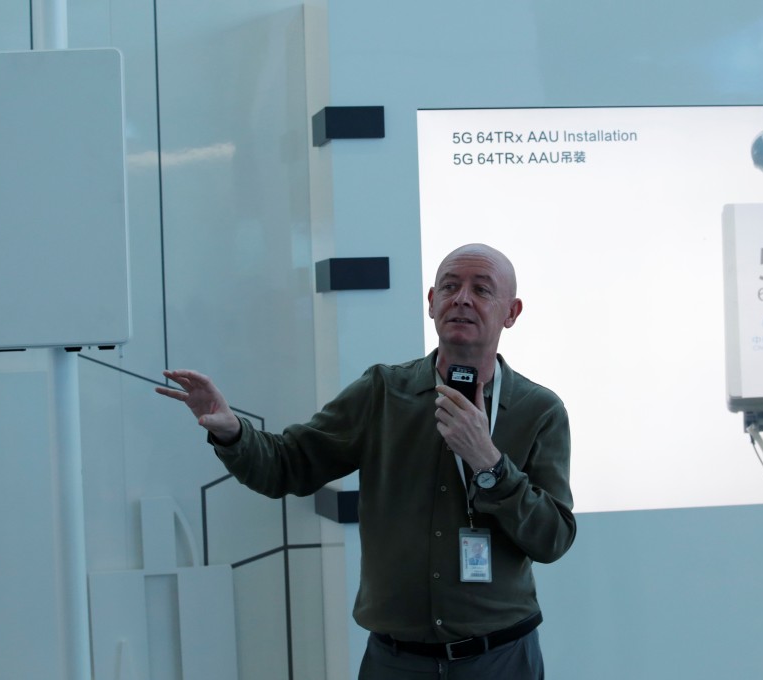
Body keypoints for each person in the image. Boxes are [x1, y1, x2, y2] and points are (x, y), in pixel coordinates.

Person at [156, 243, 575, 679]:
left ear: (512, 311)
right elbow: (289, 464)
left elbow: (553, 537)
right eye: (449, 286)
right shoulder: (383, 392)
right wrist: (231, 431)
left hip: (500, 659)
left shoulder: (538, 410)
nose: (462, 298)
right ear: (431, 303)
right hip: (396, 661)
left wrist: (489, 464)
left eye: (481, 289)